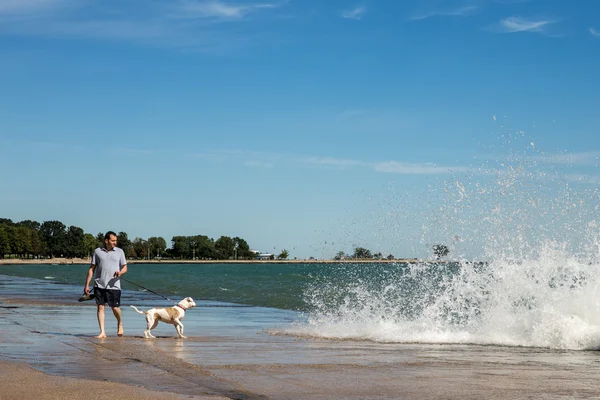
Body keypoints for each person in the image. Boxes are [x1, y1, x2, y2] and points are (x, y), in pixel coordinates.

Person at [84, 231, 128, 338]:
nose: (115, 243)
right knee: (100, 307)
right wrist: (87, 285)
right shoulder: (97, 252)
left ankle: (120, 323)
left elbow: (125, 267)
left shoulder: (120, 252)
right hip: (99, 284)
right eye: (113, 240)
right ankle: (102, 332)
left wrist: (120, 272)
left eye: (115, 240)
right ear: (106, 240)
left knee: (115, 308)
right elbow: (92, 269)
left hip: (114, 285)